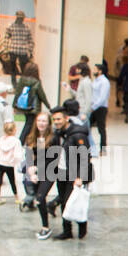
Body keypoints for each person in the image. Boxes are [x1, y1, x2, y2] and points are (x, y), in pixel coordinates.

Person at [43, 99, 93, 241]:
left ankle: (82, 227)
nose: (56, 122)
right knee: (65, 203)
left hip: (74, 174)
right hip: (62, 172)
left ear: (66, 118)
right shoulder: (58, 134)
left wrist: (80, 177)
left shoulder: (77, 133)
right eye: (54, 120)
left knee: (74, 202)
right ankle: (67, 231)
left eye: (59, 119)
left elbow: (85, 156)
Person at [22, 111, 51, 217]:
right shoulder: (31, 137)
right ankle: (45, 225)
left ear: (48, 123)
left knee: (41, 197)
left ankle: (54, 204)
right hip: (37, 171)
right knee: (39, 198)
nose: (41, 123)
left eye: (44, 121)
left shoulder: (52, 138)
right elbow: (29, 156)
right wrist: (32, 171)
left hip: (50, 171)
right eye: (39, 120)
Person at [11, 59, 50, 132]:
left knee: (30, 124)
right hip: (33, 107)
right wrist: (48, 106)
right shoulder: (36, 81)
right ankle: (22, 141)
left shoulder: (22, 80)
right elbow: (42, 95)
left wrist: (14, 105)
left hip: (24, 106)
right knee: (31, 125)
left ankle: (28, 141)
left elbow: (18, 93)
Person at [0, 119, 22, 206]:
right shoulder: (16, 141)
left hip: (0, 162)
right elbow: (17, 154)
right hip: (9, 164)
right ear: (14, 130)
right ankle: (17, 197)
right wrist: (16, 162)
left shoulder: (1, 139)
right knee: (12, 181)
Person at [0, 9, 33, 78]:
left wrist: (6, 50)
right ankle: (19, 83)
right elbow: (30, 41)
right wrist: (30, 51)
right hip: (19, 50)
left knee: (16, 69)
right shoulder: (25, 27)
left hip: (15, 50)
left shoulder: (12, 26)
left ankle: (18, 82)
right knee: (18, 69)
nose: (21, 19)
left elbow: (6, 39)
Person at [88, 62, 110, 153]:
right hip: (93, 107)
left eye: (95, 69)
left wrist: (94, 107)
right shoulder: (96, 80)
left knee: (101, 129)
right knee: (87, 126)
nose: (93, 71)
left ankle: (103, 149)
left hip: (100, 108)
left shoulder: (104, 82)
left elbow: (103, 97)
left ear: (100, 71)